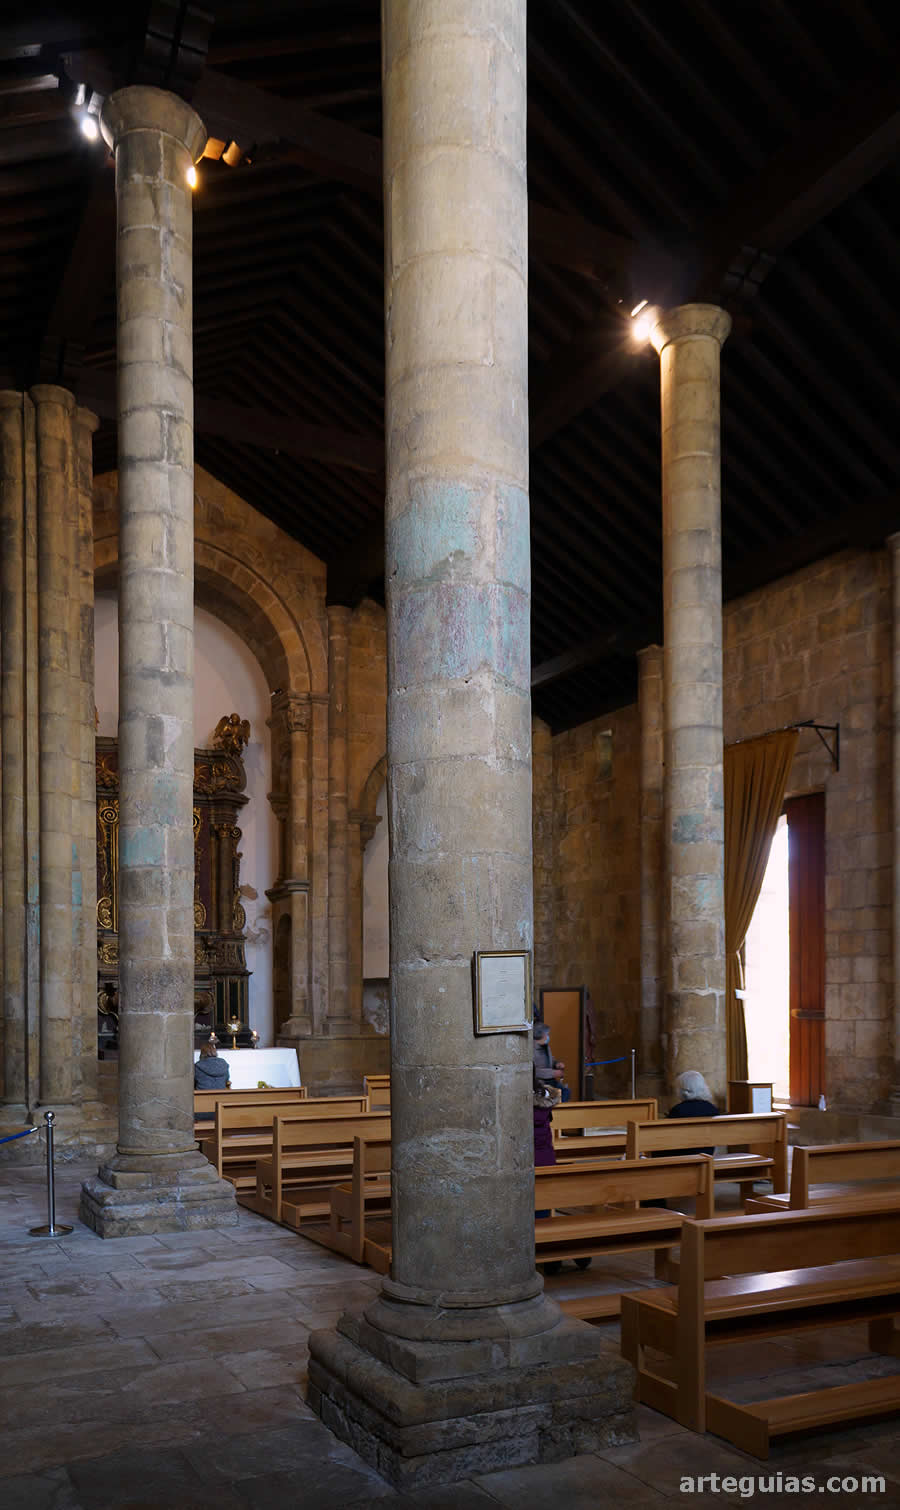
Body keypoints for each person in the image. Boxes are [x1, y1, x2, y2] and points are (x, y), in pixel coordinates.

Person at [667, 1069, 718, 1156]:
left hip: (683, 1155)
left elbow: (668, 1137)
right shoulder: (712, 1109)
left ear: (681, 1090)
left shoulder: (678, 1110)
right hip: (707, 1153)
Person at [533, 1021, 571, 1102]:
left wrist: (557, 1064)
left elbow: (551, 1059)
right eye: (547, 1034)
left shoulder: (545, 1046)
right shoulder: (532, 1050)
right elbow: (534, 1071)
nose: (548, 1037)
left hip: (551, 1081)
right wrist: (553, 1073)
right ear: (541, 1035)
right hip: (540, 1084)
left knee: (566, 1092)